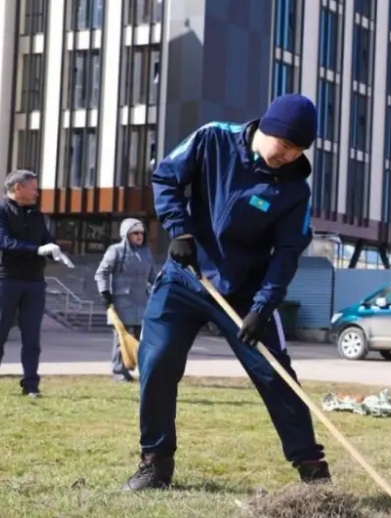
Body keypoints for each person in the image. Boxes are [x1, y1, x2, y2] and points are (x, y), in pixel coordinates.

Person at [123, 94, 330, 491]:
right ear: (265, 128)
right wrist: (179, 230)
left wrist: (262, 307)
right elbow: (166, 176)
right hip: (185, 278)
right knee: (158, 359)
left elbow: (287, 254)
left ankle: (311, 466)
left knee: (275, 374)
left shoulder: (294, 191)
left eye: (298, 151)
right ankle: (155, 462)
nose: (288, 156)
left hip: (245, 294)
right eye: (284, 146)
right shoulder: (212, 139)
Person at [0, 170, 68, 398]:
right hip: (6, 280)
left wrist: (54, 250)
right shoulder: (1, 211)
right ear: (17, 188)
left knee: (32, 338)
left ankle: (31, 385)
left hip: (35, 283)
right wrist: (37, 250)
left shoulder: (37, 215)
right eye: (33, 187)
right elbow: (5, 242)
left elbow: (46, 240)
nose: (37, 192)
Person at [95, 218, 157, 382]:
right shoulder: (115, 251)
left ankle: (135, 369)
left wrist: (161, 289)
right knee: (121, 339)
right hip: (121, 304)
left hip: (142, 303)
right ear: (126, 233)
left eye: (141, 233)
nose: (139, 236)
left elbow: (153, 277)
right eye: (135, 233)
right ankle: (119, 371)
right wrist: (105, 294)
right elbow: (101, 272)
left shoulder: (146, 253)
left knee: (140, 338)